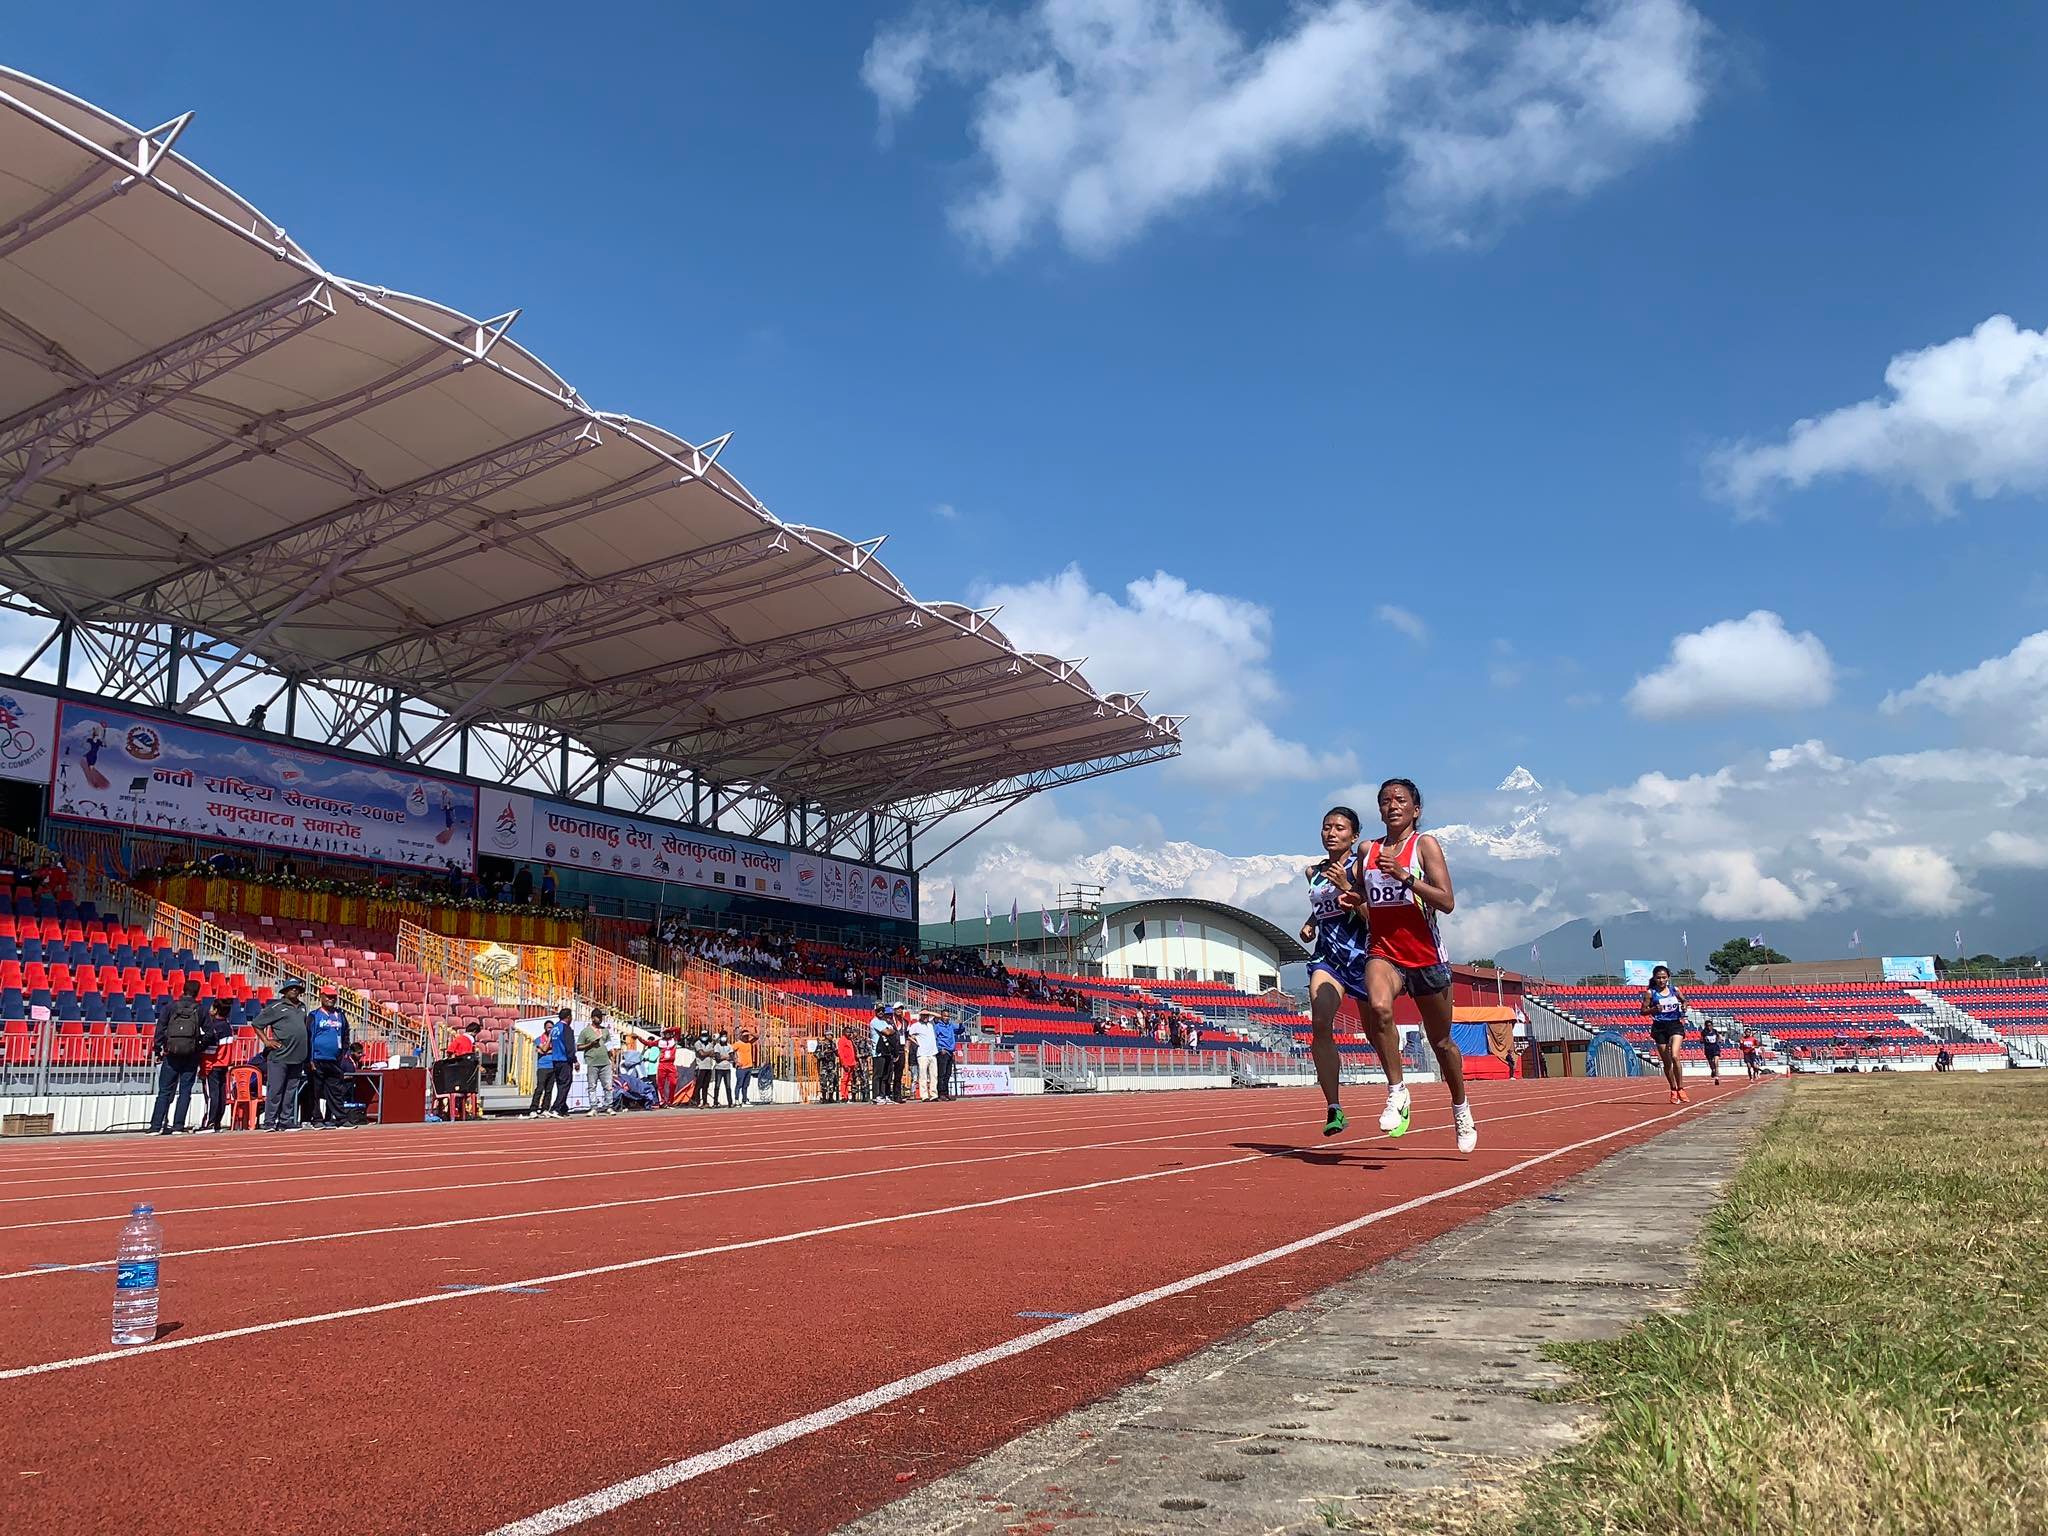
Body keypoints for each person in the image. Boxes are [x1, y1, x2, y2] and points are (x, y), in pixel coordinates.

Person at [1349, 779, 1479, 1154]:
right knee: (1378, 1009)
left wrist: (1406, 877)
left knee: (1441, 1043)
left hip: (1426, 957)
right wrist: (1350, 893)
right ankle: (1397, 1092)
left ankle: (1460, 1108)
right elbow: (1363, 895)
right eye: (1385, 801)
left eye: (1400, 800)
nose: (1392, 806)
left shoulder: (1424, 846)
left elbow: (1447, 901)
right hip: (1384, 951)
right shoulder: (1367, 850)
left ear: (1415, 809)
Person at [1298, 805, 1369, 1137]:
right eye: (1327, 827)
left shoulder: (1362, 868)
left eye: (1340, 828)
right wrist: (1311, 923)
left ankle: (1396, 1091)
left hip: (1364, 956)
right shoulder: (1313, 872)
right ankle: (1334, 1107)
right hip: (1328, 958)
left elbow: (1373, 914)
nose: (1331, 833)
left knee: (1378, 1029)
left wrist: (1350, 892)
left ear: (1354, 836)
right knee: (1320, 1023)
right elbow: (1323, 908)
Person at [148, 977, 209, 1135]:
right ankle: (178, 1126)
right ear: (197, 993)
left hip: (171, 1053)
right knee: (185, 1091)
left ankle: (156, 1126)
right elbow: (210, 1033)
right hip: (191, 1054)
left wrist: (157, 1049)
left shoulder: (170, 1007)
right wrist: (199, 1046)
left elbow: (160, 1030)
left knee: (164, 1091)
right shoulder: (200, 1009)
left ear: (183, 990)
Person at [253, 979, 312, 1132]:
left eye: (297, 988)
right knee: (276, 1089)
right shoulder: (276, 1007)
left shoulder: (303, 1007)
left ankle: (285, 1120)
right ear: (284, 991)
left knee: (291, 1090)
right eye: (291, 988)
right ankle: (270, 1122)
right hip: (279, 1055)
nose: (294, 990)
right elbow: (257, 1023)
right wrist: (266, 1041)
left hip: (298, 1056)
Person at [1641, 964, 1691, 1104]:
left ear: (1668, 978)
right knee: (1667, 1061)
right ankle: (1673, 1089)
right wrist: (1653, 1009)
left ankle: (1681, 1088)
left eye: (1664, 978)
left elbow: (1684, 1000)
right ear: (1654, 978)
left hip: (1675, 1025)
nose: (1661, 980)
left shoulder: (1674, 990)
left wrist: (1684, 1005)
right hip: (1659, 1027)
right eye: (1658, 978)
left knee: (1675, 1056)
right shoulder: (1651, 993)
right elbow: (1643, 1011)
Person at [306, 986, 352, 1128]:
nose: (331, 999)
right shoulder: (314, 1016)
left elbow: (345, 1035)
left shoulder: (340, 1015)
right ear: (321, 997)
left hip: (334, 1060)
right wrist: (310, 1059)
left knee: (335, 1091)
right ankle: (316, 1119)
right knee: (315, 1091)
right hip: (317, 1060)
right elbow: (308, 1038)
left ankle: (341, 1118)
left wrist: (342, 1054)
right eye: (328, 996)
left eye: (333, 997)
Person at [200, 997, 235, 1132]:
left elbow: (210, 1050)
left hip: (213, 1064)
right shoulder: (227, 1026)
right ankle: (217, 1123)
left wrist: (205, 1066)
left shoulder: (214, 1027)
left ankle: (209, 1123)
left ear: (215, 1010)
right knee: (220, 1094)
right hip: (224, 1064)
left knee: (211, 1095)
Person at [577, 1006, 615, 1116]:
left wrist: (612, 1061)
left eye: (601, 1017)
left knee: (608, 1085)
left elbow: (609, 1046)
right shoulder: (586, 1032)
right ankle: (593, 1107)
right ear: (593, 1018)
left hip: (605, 1062)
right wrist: (590, 1044)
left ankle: (608, 1106)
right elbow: (578, 1047)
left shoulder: (605, 1031)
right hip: (591, 1062)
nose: (600, 1019)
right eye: (598, 1017)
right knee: (592, 1086)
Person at [911, 1011, 939, 1102]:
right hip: (922, 1054)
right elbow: (909, 1035)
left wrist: (930, 1012)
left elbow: (939, 1016)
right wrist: (917, 1043)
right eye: (924, 1015)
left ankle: (934, 1095)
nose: (926, 1017)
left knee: (934, 1075)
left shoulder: (931, 1023)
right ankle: (924, 1096)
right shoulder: (916, 1025)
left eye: (927, 1015)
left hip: (932, 1053)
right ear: (920, 1016)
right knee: (923, 1076)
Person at [933, 1012, 958, 1100]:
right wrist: (940, 1049)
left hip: (950, 1052)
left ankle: (946, 1093)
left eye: (948, 1016)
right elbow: (935, 1038)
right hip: (943, 1052)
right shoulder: (938, 1026)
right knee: (941, 1074)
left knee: (948, 1074)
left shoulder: (951, 1026)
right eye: (945, 1016)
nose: (946, 1018)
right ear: (941, 1016)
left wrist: (961, 1024)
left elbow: (960, 1030)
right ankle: (941, 1093)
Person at [656, 1028, 682, 1106]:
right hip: (662, 1064)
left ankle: (670, 1101)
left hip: (671, 1064)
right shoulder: (660, 1041)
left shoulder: (674, 1040)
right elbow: (649, 1043)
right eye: (666, 1033)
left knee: (673, 1083)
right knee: (661, 1084)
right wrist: (639, 1039)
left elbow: (678, 1029)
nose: (667, 1034)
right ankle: (662, 1101)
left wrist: (669, 1028)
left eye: (669, 1033)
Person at [692, 1027, 717, 1107]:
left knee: (706, 1085)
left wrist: (708, 1053)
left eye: (705, 1035)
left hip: (708, 1066)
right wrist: (709, 1053)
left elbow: (713, 1053)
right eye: (703, 1035)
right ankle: (696, 1101)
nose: (704, 1037)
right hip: (700, 1066)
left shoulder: (710, 1044)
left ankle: (705, 1101)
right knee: (699, 1085)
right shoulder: (698, 1043)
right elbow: (701, 1054)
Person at [836, 1027, 859, 1103]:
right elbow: (840, 1053)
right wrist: (844, 1063)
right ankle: (843, 1096)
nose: (849, 1033)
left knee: (849, 1080)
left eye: (850, 1032)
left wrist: (855, 1062)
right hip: (846, 1063)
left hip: (852, 1063)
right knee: (844, 1080)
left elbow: (853, 1052)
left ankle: (847, 1096)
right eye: (847, 1032)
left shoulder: (850, 1040)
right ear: (843, 1032)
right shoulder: (842, 1040)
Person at [733, 1029, 756, 1106]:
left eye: (747, 1036)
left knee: (745, 1085)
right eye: (745, 1036)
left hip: (749, 1067)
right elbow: (730, 1051)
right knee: (739, 1084)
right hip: (741, 1068)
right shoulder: (737, 1044)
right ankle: (736, 1099)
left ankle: (744, 1099)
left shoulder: (749, 1043)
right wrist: (736, 1061)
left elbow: (757, 1037)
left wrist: (750, 1032)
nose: (746, 1037)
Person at [1699, 1018, 1724, 1085]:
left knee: (1716, 1062)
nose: (1709, 1027)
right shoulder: (1704, 1032)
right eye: (1707, 1026)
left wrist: (1720, 1039)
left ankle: (1717, 1077)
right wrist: (1702, 1040)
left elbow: (1719, 1037)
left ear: (1712, 1026)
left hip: (1715, 1048)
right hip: (1708, 1049)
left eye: (1710, 1025)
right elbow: (1701, 1040)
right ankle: (1713, 1070)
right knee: (1711, 1062)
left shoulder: (1715, 1031)